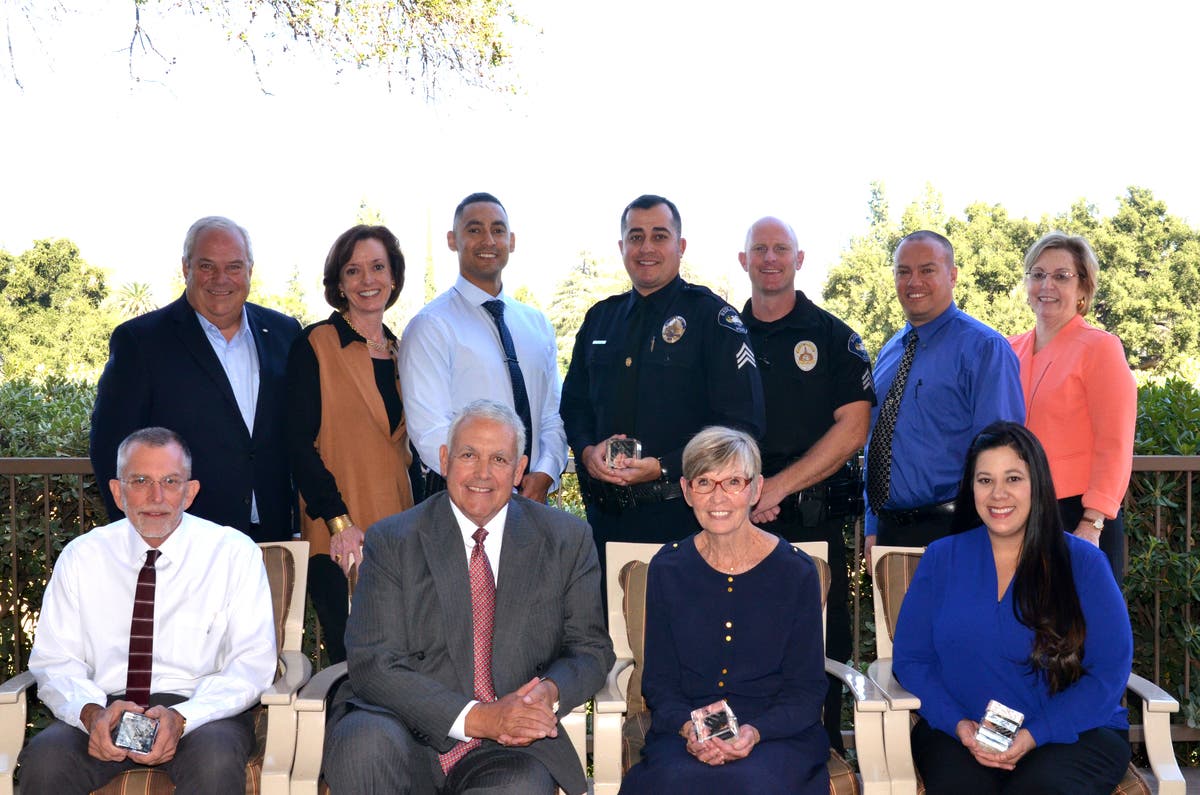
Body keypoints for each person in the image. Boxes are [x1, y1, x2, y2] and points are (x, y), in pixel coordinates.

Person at [322, 400, 613, 795]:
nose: (482, 473)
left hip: (507, 743)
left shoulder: (566, 540)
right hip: (401, 722)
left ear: (519, 470)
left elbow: (590, 650)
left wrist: (547, 692)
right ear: (445, 460)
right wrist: (479, 718)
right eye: (468, 455)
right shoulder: (393, 540)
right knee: (362, 748)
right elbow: (374, 663)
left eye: (499, 459)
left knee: (521, 787)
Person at [19, 427, 277, 794]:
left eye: (170, 481)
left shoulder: (234, 554)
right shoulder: (82, 557)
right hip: (106, 708)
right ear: (117, 491)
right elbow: (55, 660)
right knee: (45, 761)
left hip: (201, 713)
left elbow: (252, 663)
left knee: (214, 764)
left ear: (190, 492)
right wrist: (91, 714)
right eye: (140, 481)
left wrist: (183, 717)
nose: (156, 497)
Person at [892, 422, 1132, 794]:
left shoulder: (1084, 563)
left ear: (1038, 484)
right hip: (963, 732)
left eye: (1013, 478)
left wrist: (1036, 734)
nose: (998, 494)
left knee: (1038, 788)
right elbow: (912, 660)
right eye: (985, 480)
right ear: (971, 488)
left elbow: (1109, 671)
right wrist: (958, 724)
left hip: (1073, 734)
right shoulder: (941, 558)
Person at [561, 195, 765, 574]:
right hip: (605, 526)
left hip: (684, 523)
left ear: (680, 246)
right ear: (622, 246)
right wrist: (587, 452)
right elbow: (574, 406)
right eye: (636, 237)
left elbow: (741, 425)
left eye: (659, 236)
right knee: (608, 615)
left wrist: (664, 467)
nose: (646, 248)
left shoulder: (712, 318)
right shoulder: (600, 319)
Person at [619, 426, 829, 795]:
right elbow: (660, 683)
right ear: (687, 491)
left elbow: (806, 690)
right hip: (686, 733)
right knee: (673, 782)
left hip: (776, 735)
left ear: (756, 489)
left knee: (750, 784)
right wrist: (690, 729)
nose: (718, 497)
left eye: (733, 481)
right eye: (704, 482)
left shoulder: (795, 572)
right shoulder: (668, 567)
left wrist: (754, 732)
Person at [738, 216, 875, 754]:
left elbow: (854, 428)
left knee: (821, 647)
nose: (770, 258)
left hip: (813, 525)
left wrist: (774, 488)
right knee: (740, 645)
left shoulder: (834, 337)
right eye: (760, 249)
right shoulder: (721, 334)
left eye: (781, 249)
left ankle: (822, 754)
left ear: (799, 259)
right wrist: (747, 493)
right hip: (735, 523)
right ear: (744, 261)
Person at [90, 216, 301, 542]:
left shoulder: (285, 332)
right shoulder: (141, 342)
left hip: (274, 538)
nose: (221, 278)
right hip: (181, 540)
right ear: (186, 267)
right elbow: (110, 448)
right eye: (206, 266)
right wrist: (141, 537)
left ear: (250, 270)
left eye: (234, 267)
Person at [286, 224, 415, 664]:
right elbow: (297, 443)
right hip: (340, 534)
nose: (367, 280)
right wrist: (339, 521)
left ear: (393, 277)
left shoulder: (402, 351)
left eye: (378, 267)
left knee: (400, 659)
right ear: (339, 284)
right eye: (353, 271)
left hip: (399, 532)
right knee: (353, 662)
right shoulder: (316, 344)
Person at [399, 193, 567, 504]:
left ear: (511, 241)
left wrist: (545, 473)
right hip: (463, 498)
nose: (488, 240)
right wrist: (494, 481)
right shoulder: (430, 327)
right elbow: (429, 430)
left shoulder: (537, 324)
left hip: (533, 499)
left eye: (498, 230)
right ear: (452, 240)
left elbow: (553, 416)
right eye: (474, 230)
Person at [864, 230, 1024, 552]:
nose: (914, 281)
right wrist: (873, 525)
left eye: (927, 270)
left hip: (960, 531)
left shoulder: (984, 348)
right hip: (890, 534)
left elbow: (1002, 453)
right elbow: (875, 442)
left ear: (952, 276)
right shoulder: (889, 353)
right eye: (903, 271)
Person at [1008, 232, 1136, 580]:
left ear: (1083, 288)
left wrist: (1092, 522)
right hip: (1016, 514)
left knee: (1080, 614)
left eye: (1061, 276)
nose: (1047, 285)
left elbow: (1115, 443)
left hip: (1078, 517)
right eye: (1038, 274)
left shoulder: (1101, 348)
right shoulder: (1007, 349)